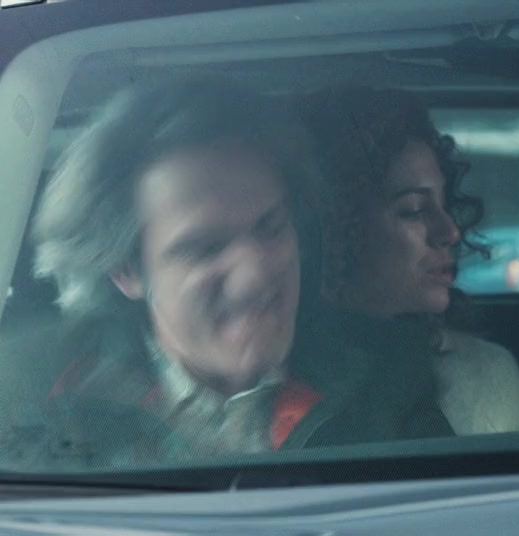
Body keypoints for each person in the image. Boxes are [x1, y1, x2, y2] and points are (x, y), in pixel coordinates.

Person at [17, 79, 432, 467]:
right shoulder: (38, 395)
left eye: (271, 228)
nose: (254, 275)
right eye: (205, 248)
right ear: (126, 271)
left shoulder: (386, 376)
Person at [298, 88, 519, 435]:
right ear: (336, 227)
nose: (450, 231)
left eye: (444, 204)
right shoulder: (262, 380)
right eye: (413, 210)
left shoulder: (485, 374)